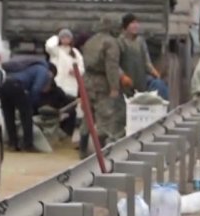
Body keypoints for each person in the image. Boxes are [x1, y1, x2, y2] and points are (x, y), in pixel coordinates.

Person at [81, 15, 127, 151]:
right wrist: (114, 87)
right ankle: (101, 150)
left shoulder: (91, 41)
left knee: (88, 114)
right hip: (101, 82)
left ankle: (83, 148)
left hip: (87, 81)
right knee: (105, 115)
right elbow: (111, 67)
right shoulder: (110, 43)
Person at [0, 58, 57, 152]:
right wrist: (31, 102)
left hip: (2, 84)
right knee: (26, 115)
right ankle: (28, 145)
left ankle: (12, 143)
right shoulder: (43, 70)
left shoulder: (27, 66)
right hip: (16, 85)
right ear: (51, 72)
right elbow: (36, 88)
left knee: (9, 115)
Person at [118, 14, 168, 100]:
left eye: (136, 23)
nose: (135, 26)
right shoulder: (120, 42)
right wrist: (122, 76)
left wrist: (154, 72)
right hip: (125, 84)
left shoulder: (140, 42)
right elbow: (114, 64)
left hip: (140, 81)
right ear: (126, 26)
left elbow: (146, 62)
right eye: (132, 23)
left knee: (159, 86)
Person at [46, 28, 85, 98]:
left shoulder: (75, 52)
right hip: (58, 84)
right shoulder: (56, 50)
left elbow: (82, 67)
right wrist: (56, 37)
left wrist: (76, 71)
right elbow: (49, 46)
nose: (65, 39)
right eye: (63, 37)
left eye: (67, 37)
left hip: (71, 85)